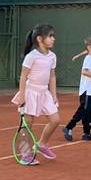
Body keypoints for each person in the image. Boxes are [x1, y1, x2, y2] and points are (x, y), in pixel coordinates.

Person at [11, 23, 61, 161]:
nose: (53, 39)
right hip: (30, 92)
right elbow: (23, 77)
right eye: (50, 36)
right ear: (40, 39)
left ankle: (41, 144)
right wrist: (22, 96)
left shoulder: (52, 56)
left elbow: (52, 76)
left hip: (45, 93)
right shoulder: (31, 56)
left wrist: (54, 95)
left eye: (53, 36)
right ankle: (26, 154)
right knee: (28, 123)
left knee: (55, 120)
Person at [62, 36, 91, 142]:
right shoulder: (89, 58)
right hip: (87, 91)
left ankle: (86, 133)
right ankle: (68, 127)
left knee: (88, 113)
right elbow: (84, 71)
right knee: (83, 111)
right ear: (89, 48)